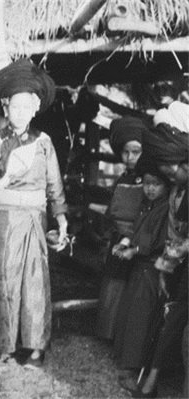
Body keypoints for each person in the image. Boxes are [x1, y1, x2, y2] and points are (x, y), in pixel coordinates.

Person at [0, 59, 68, 368]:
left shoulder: (44, 143)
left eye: (27, 108)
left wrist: (62, 219)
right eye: (15, 107)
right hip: (3, 220)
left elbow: (54, 183)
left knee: (34, 281)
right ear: (5, 107)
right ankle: (5, 346)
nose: (21, 113)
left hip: (34, 220)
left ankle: (36, 348)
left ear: (36, 108)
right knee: (5, 278)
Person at [120, 119, 188, 398]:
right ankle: (150, 383)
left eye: (171, 171)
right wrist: (166, 268)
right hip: (184, 266)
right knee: (171, 319)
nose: (170, 176)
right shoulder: (177, 192)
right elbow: (175, 234)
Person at [112, 155, 170, 378]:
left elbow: (155, 240)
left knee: (142, 315)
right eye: (146, 184)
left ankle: (135, 362)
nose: (150, 189)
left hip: (152, 268)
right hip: (139, 268)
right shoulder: (147, 206)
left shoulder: (165, 209)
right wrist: (124, 242)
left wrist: (134, 251)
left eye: (156, 184)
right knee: (130, 310)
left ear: (165, 186)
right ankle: (125, 356)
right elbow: (137, 229)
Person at [96, 117, 146, 340]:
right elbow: (112, 210)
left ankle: (124, 336)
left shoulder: (149, 181)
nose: (130, 158)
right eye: (126, 152)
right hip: (117, 238)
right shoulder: (122, 178)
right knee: (112, 285)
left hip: (136, 239)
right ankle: (108, 332)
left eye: (136, 152)